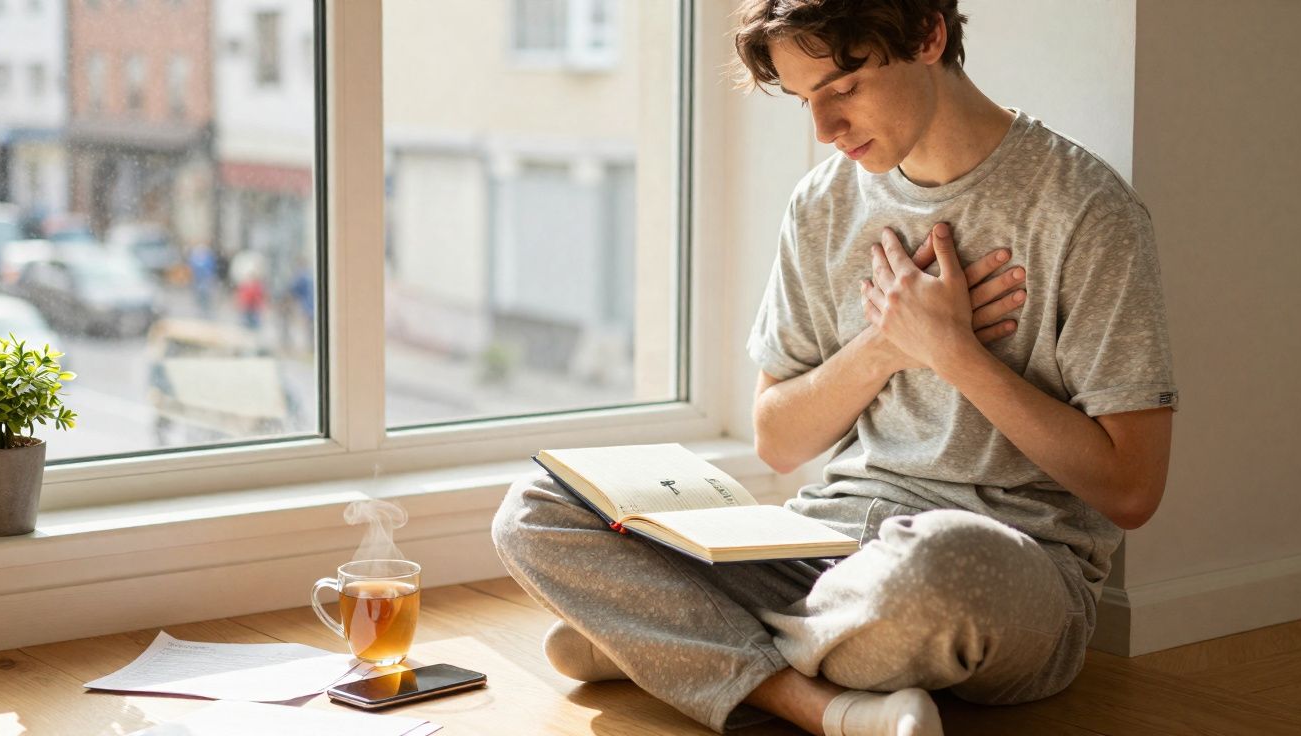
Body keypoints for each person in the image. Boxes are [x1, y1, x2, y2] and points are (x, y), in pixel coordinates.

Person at [492, 2, 1178, 734]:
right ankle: (809, 701)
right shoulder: (823, 203)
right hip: (823, 547)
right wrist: (889, 342)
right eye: (803, 100)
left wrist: (955, 353)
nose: (824, 129)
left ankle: (667, 640)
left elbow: (1132, 489)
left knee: (939, 568)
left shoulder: (1086, 211)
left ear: (927, 36)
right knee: (535, 507)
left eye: (842, 88)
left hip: (996, 569)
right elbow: (778, 440)